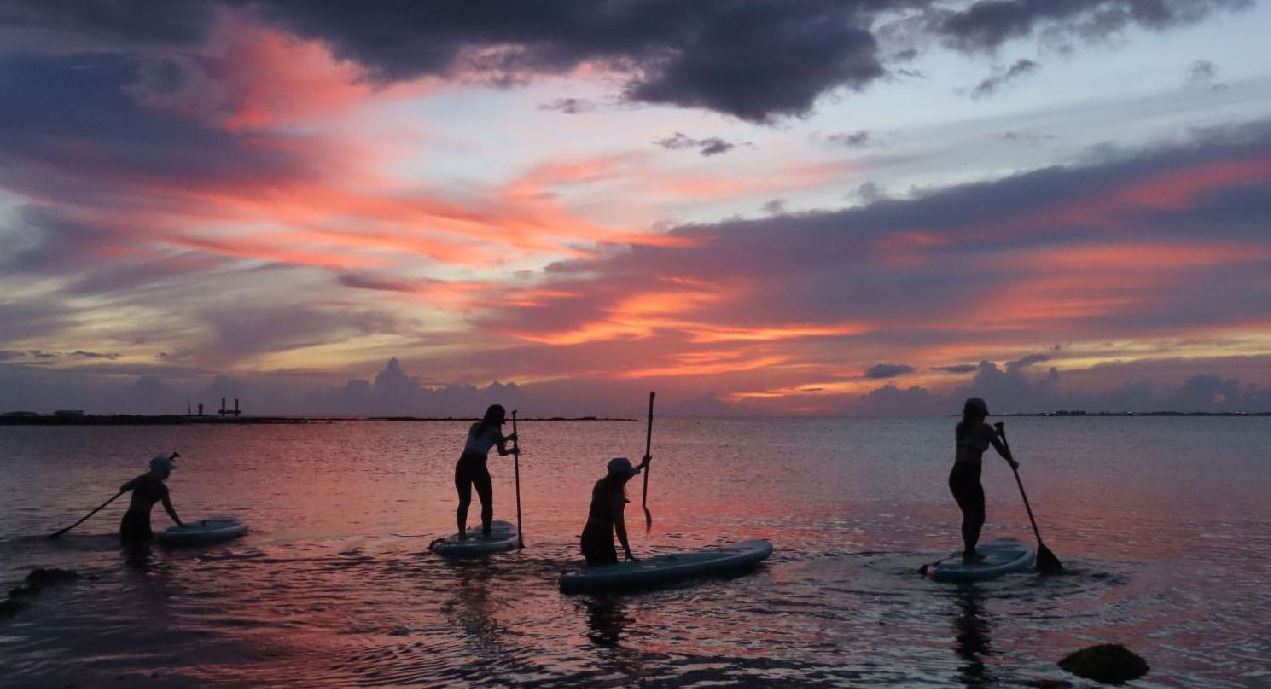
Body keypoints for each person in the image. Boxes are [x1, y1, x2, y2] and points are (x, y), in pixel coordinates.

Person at [950, 398, 1018, 563]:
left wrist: (997, 435)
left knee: (970, 514)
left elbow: (983, 439)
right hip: (969, 476)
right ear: (978, 413)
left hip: (956, 476)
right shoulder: (984, 429)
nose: (984, 417)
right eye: (983, 414)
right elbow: (1000, 449)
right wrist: (1011, 461)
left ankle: (969, 550)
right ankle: (970, 552)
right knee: (977, 515)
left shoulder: (961, 427)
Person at [454, 404, 516, 539]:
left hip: (462, 464)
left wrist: (507, 438)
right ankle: (486, 532)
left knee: (464, 501)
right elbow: (502, 452)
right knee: (486, 502)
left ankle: (461, 533)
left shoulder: (475, 426)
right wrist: (512, 450)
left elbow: (486, 438)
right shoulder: (496, 433)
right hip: (478, 466)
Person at [580, 456, 647, 566]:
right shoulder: (617, 497)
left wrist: (641, 466)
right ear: (621, 476)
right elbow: (619, 527)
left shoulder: (600, 485)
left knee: (596, 569)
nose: (627, 477)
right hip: (600, 539)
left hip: (588, 537)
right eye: (626, 474)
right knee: (604, 572)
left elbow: (626, 476)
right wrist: (627, 550)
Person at [119, 452, 184, 542]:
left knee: (128, 550)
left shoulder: (141, 479)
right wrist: (180, 524)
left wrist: (136, 483)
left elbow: (123, 488)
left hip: (128, 520)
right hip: (141, 522)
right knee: (144, 551)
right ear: (165, 471)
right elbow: (169, 510)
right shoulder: (161, 489)